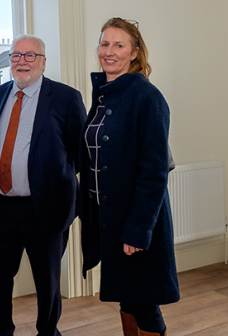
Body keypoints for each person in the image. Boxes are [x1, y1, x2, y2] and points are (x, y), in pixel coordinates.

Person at [0, 34, 86, 336]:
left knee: (47, 283)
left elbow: (81, 156)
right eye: (16, 56)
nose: (22, 61)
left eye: (30, 55)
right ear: (9, 61)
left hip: (45, 209)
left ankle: (48, 333)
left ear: (43, 62)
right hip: (2, 208)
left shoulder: (65, 97)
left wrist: (60, 188)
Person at [79, 18, 179, 336]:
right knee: (127, 297)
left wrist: (137, 230)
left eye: (118, 45)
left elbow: (154, 172)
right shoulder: (105, 96)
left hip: (136, 220)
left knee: (144, 301)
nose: (109, 51)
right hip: (110, 217)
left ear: (134, 53)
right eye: (104, 44)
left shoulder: (147, 98)